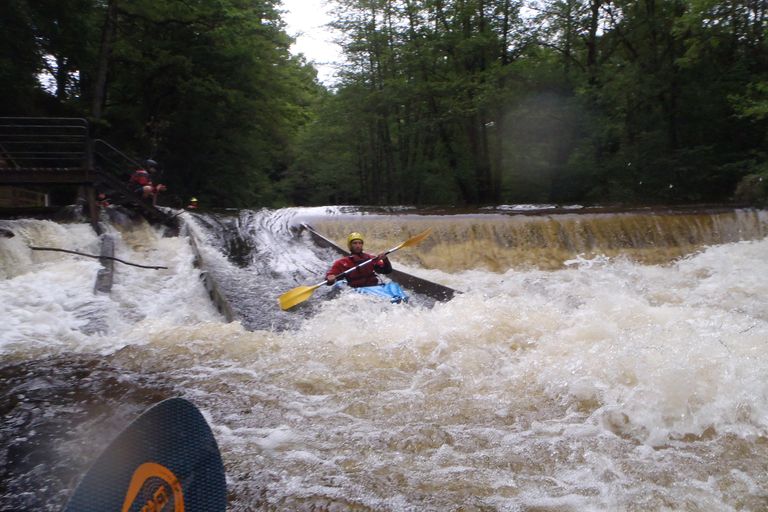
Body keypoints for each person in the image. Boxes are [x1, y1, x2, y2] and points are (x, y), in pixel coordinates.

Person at [326, 232, 392, 288]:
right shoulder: (342, 263)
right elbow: (330, 278)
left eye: (360, 243)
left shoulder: (371, 258)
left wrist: (385, 259)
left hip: (375, 287)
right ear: (350, 245)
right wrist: (330, 278)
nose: (358, 246)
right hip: (357, 291)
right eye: (355, 243)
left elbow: (387, 271)